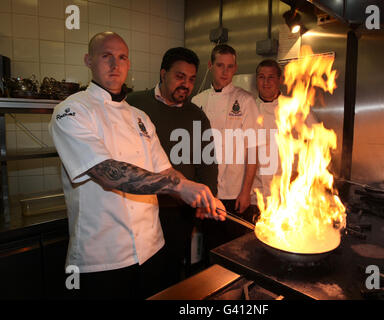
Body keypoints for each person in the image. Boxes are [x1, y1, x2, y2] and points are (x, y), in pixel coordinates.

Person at [48, 32, 225, 300]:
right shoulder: (71, 111)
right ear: (89, 61)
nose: (114, 65)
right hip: (103, 257)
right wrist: (181, 187)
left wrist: (197, 192)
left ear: (128, 64)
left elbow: (165, 170)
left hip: (152, 248)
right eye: (106, 56)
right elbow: (108, 173)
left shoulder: (139, 116)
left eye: (121, 58)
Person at [126, 47, 218, 287]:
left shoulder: (196, 116)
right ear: (163, 73)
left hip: (178, 211)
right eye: (179, 77)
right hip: (140, 207)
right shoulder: (134, 104)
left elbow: (207, 162)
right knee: (139, 273)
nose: (186, 85)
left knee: (168, 273)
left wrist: (207, 197)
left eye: (191, 79)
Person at [192, 44, 260, 252]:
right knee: (210, 248)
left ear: (235, 68)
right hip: (207, 192)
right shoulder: (198, 101)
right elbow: (193, 149)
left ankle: (235, 286)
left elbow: (253, 149)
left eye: (230, 66)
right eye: (220, 65)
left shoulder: (246, 101)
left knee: (233, 249)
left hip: (234, 191)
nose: (225, 71)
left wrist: (246, 191)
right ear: (211, 65)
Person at [252, 59, 318, 206]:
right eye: (262, 77)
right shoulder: (248, 108)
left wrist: (300, 174)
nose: (266, 82)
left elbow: (317, 142)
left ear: (280, 79)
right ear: (257, 79)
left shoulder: (296, 108)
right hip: (255, 194)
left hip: (288, 193)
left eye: (271, 77)